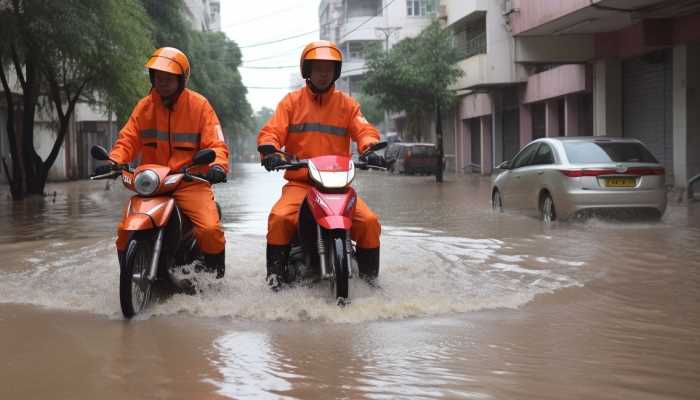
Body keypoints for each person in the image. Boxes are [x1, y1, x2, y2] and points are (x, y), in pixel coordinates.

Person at [257, 40, 386, 289]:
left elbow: (364, 130)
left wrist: (369, 148)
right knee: (279, 218)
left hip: (339, 186)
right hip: (301, 183)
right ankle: (275, 280)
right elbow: (271, 131)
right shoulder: (290, 103)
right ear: (307, 70)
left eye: (329, 68)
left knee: (369, 222)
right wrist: (271, 151)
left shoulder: (347, 104)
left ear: (336, 71)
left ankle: (372, 284)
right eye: (318, 67)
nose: (324, 73)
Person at [96, 47, 229, 279]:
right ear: (152, 78)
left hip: (189, 181)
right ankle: (130, 275)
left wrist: (217, 166)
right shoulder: (144, 106)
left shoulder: (199, 106)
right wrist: (114, 162)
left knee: (210, 229)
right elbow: (127, 139)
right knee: (124, 230)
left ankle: (215, 281)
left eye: (169, 78)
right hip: (152, 183)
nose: (163, 82)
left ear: (181, 79)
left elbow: (216, 143)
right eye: (159, 77)